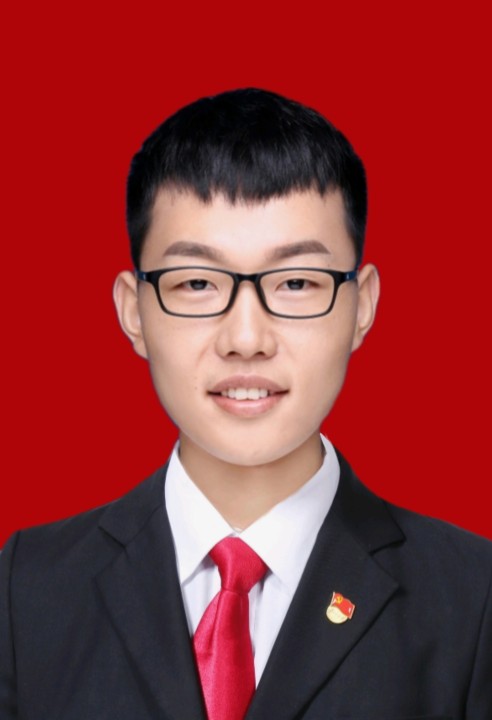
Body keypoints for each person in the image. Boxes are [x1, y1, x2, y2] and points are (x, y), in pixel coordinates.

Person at [1, 88, 491, 720]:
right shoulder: (26, 591)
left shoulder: (472, 598)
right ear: (134, 312)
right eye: (197, 283)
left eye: (296, 282)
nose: (246, 339)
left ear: (362, 305)